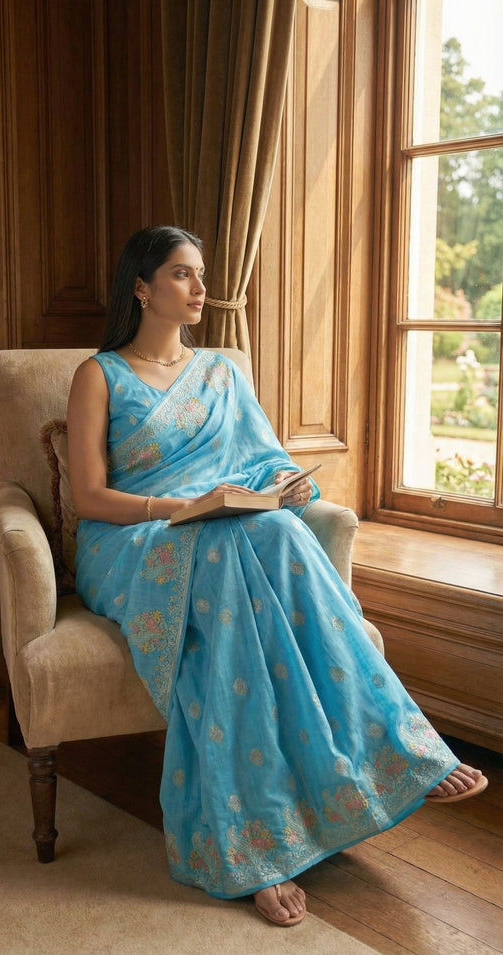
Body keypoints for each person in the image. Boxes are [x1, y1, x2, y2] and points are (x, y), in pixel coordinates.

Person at [67, 225, 488, 928]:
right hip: (133, 538)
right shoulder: (99, 373)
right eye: (180, 274)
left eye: (200, 274)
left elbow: (263, 461)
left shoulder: (222, 374)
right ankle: (253, 842)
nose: (201, 288)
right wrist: (183, 508)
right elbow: (88, 497)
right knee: (227, 544)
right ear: (140, 287)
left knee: (279, 528)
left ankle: (393, 747)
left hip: (219, 532)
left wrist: (288, 485)